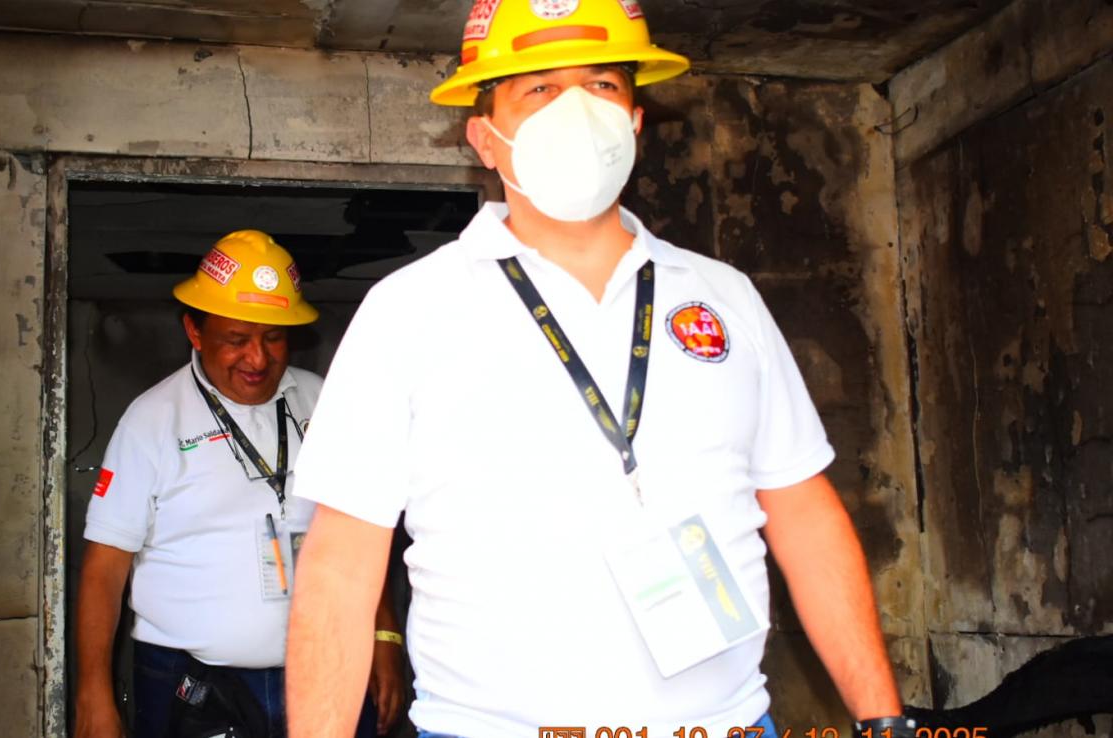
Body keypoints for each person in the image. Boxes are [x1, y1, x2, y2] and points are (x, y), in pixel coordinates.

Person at [285, 2, 916, 738]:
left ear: (636, 123)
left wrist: (883, 718)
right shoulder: (410, 310)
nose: (577, 111)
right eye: (540, 90)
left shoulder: (723, 297)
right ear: (485, 138)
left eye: (603, 85)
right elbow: (340, 567)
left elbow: (802, 510)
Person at [74, 230, 404, 738]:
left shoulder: (326, 404)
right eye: (236, 339)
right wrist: (92, 690)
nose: (257, 358)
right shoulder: (152, 420)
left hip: (326, 668)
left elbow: (358, 534)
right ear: (195, 330)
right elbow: (105, 568)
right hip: (191, 681)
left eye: (273, 337)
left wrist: (383, 636)